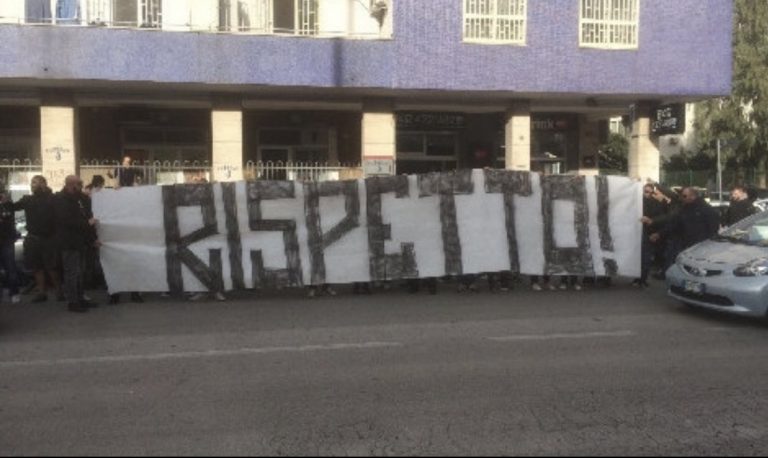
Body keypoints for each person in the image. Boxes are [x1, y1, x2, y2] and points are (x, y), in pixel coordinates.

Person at [13, 175, 61, 302]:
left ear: (43, 184)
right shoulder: (28, 199)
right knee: (36, 267)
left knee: (52, 266)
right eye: (32, 183)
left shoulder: (53, 198)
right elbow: (13, 207)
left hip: (49, 238)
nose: (32, 185)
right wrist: (6, 202)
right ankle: (41, 293)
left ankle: (59, 291)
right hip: (33, 238)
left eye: (35, 182)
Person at [55, 175, 99, 313]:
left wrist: (92, 238)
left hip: (81, 242)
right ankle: (73, 302)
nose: (81, 185)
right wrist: (86, 224)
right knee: (72, 273)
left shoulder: (80, 198)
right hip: (69, 242)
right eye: (79, 183)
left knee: (80, 272)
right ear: (71, 184)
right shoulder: (61, 199)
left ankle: (80, 298)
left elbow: (87, 214)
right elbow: (66, 221)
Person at [651, 186, 720, 253]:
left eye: (684, 196)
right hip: (685, 245)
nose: (682, 198)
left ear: (693, 196)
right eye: (681, 196)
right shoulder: (684, 209)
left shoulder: (705, 209)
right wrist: (659, 234)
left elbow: (713, 228)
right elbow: (674, 224)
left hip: (701, 247)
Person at [0, 188, 21, 303]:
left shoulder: (7, 206)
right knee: (9, 267)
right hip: (7, 239)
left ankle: (14, 292)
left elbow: (8, 220)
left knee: (10, 267)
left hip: (6, 240)